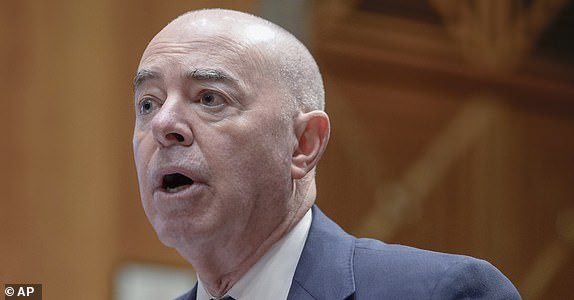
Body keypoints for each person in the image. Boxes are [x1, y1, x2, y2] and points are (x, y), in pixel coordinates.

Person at [132, 8, 521, 300]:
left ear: (303, 144)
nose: (164, 125)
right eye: (148, 104)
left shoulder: (443, 293)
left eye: (209, 98)